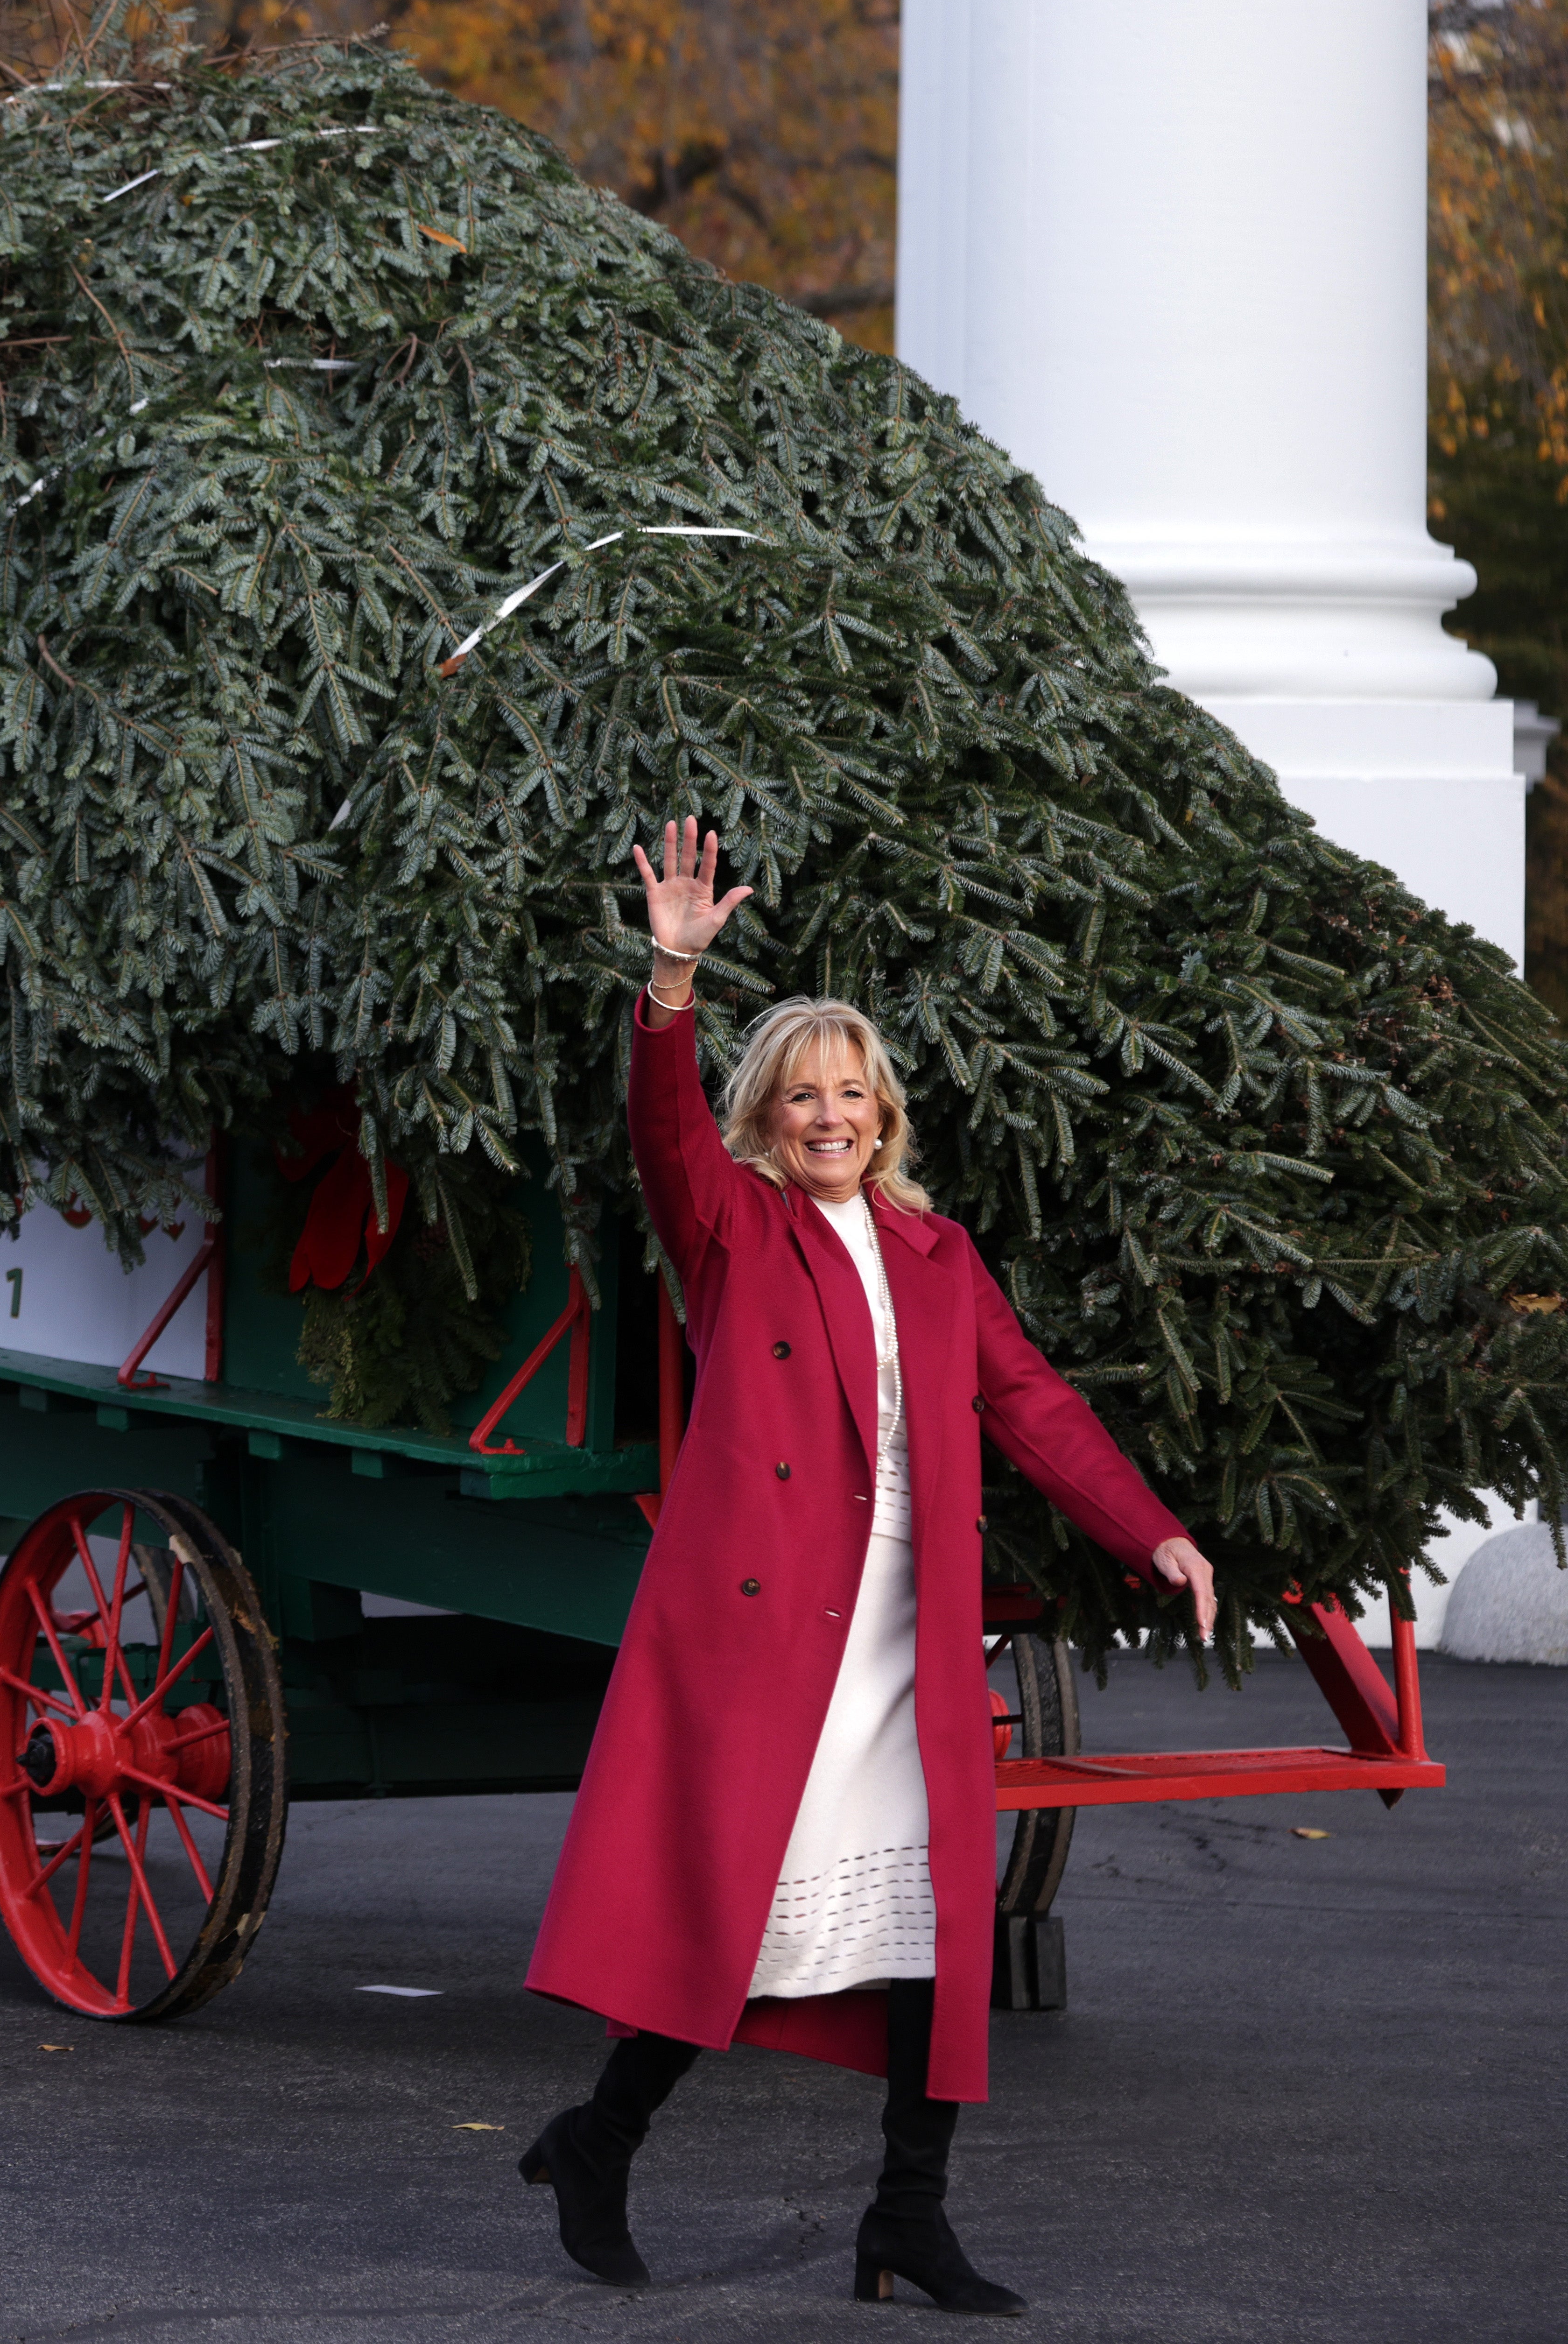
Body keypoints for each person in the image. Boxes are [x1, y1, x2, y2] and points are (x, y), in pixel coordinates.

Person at [519, 819, 1219, 2312]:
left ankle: (909, 2214)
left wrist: (1146, 1525)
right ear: (766, 1116)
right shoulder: (732, 1227)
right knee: (747, 1906)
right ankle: (599, 2138)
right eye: (800, 1095)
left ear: (884, 1114)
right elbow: (662, 1136)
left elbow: (1032, 1403)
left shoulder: (940, 1255)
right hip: (781, 1626)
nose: (828, 1115)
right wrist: (672, 977)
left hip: (913, 1618)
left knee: (934, 1927)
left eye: (852, 1093)